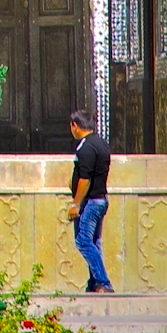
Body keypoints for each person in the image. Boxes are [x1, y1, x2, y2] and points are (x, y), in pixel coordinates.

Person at [69, 109, 114, 294]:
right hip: (100, 199)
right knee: (94, 242)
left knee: (83, 241)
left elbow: (85, 179)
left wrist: (76, 204)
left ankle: (103, 282)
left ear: (75, 126)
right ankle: (94, 283)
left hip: (91, 202)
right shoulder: (101, 144)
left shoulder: (85, 147)